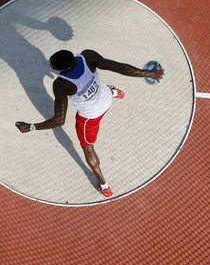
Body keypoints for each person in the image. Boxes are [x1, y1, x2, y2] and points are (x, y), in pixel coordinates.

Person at [16, 49, 164, 197]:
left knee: (88, 148)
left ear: (59, 69)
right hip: (106, 99)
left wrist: (31, 127)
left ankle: (104, 185)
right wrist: (149, 73)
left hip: (90, 118)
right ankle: (113, 91)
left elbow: (59, 120)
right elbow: (120, 67)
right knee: (96, 83)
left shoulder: (61, 84)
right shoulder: (88, 56)